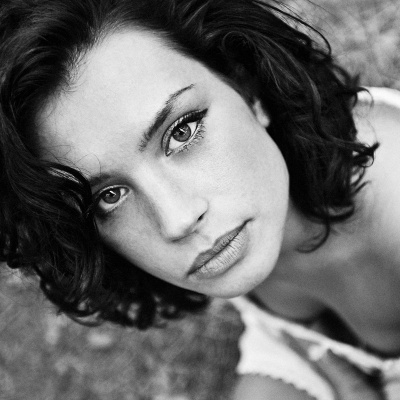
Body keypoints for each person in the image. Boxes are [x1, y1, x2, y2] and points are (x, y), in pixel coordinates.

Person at [0, 0, 399, 398]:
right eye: (110, 195)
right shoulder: (252, 219)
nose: (177, 220)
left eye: (181, 132)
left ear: (247, 85)